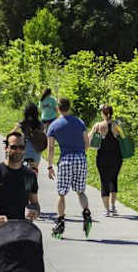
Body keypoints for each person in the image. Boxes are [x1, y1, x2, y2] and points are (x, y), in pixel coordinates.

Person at [47, 97, 92, 239]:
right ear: (69, 107)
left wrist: (49, 165)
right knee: (80, 191)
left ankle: (60, 223)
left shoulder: (54, 126)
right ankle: (87, 215)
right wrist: (82, 153)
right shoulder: (79, 122)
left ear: (58, 108)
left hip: (66, 160)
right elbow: (87, 142)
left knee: (61, 193)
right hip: (80, 158)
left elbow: (51, 148)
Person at [0, 132, 40, 225]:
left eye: (21, 147)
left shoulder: (29, 175)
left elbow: (35, 203)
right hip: (1, 229)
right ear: (6, 148)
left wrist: (35, 212)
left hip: (22, 228)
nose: (18, 150)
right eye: (13, 147)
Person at [89, 104, 123, 217]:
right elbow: (124, 138)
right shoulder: (117, 125)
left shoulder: (98, 126)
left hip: (102, 158)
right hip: (116, 158)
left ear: (104, 114)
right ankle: (113, 207)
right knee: (113, 180)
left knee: (104, 181)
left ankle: (107, 210)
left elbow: (88, 139)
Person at [12, 103, 43, 173]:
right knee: (34, 170)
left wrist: (16, 127)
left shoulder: (23, 123)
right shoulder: (40, 124)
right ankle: (34, 181)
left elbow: (11, 134)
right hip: (36, 150)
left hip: (24, 150)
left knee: (19, 170)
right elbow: (43, 137)